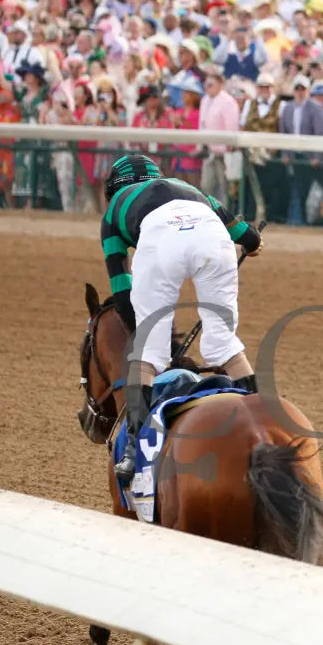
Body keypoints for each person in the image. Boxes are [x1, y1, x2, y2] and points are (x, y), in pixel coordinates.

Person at [100, 154, 263, 483]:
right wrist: (253, 243)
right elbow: (243, 231)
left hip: (160, 243)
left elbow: (121, 287)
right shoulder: (188, 187)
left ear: (114, 188)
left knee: (147, 354)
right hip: (212, 238)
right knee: (223, 343)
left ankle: (133, 448)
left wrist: (140, 332)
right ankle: (263, 424)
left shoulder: (114, 208)